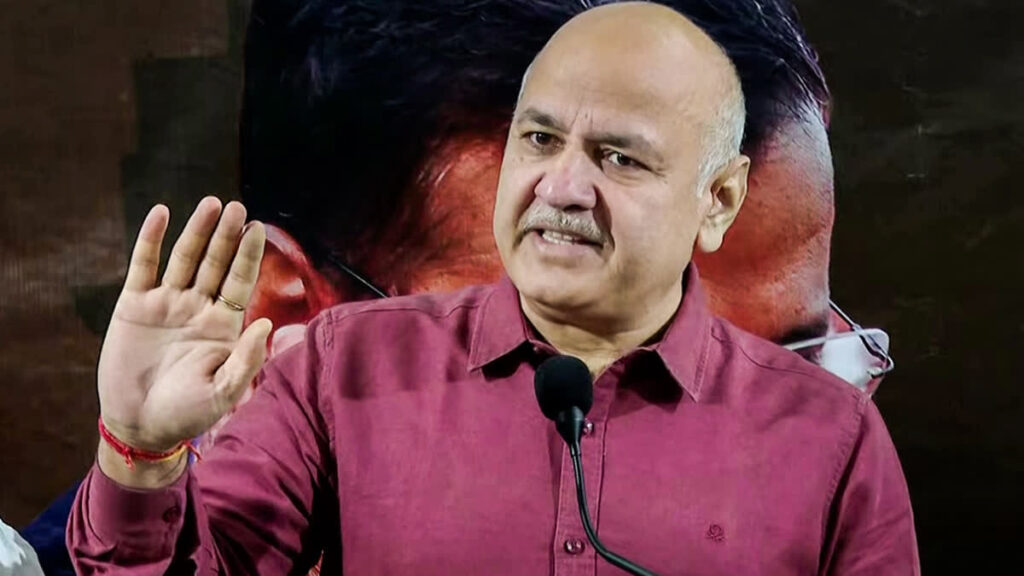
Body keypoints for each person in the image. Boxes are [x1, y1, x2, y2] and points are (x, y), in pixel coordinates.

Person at [67, 3, 918, 574]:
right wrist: (140, 455)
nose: (568, 190)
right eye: (540, 140)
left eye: (799, 349)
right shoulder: (335, 370)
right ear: (277, 314)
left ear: (721, 198)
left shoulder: (834, 438)